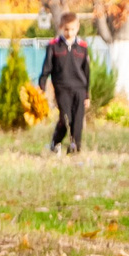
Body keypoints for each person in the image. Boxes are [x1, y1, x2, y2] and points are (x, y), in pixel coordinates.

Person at [41, 13, 91, 153]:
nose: (69, 32)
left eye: (72, 29)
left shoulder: (82, 47)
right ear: (61, 27)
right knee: (65, 118)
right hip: (62, 88)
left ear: (77, 28)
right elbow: (47, 68)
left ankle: (75, 147)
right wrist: (42, 84)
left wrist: (87, 94)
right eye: (66, 29)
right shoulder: (54, 46)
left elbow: (86, 72)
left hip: (79, 88)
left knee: (77, 120)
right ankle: (55, 142)